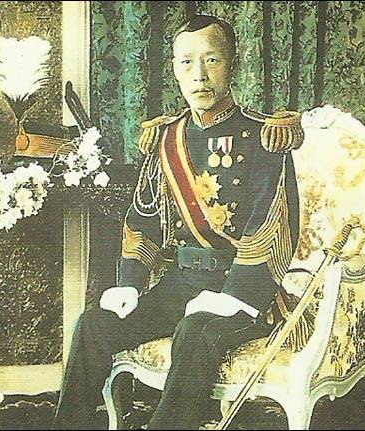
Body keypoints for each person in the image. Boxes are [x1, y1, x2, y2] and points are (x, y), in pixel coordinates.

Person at [53, 14, 305, 430]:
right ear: (174, 69)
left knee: (196, 329)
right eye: (186, 62)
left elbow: (270, 225)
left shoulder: (265, 136)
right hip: (180, 283)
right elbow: (145, 218)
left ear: (233, 64)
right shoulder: (166, 138)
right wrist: (130, 282)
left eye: (212, 60)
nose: (199, 75)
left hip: (243, 289)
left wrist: (237, 294)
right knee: (94, 324)